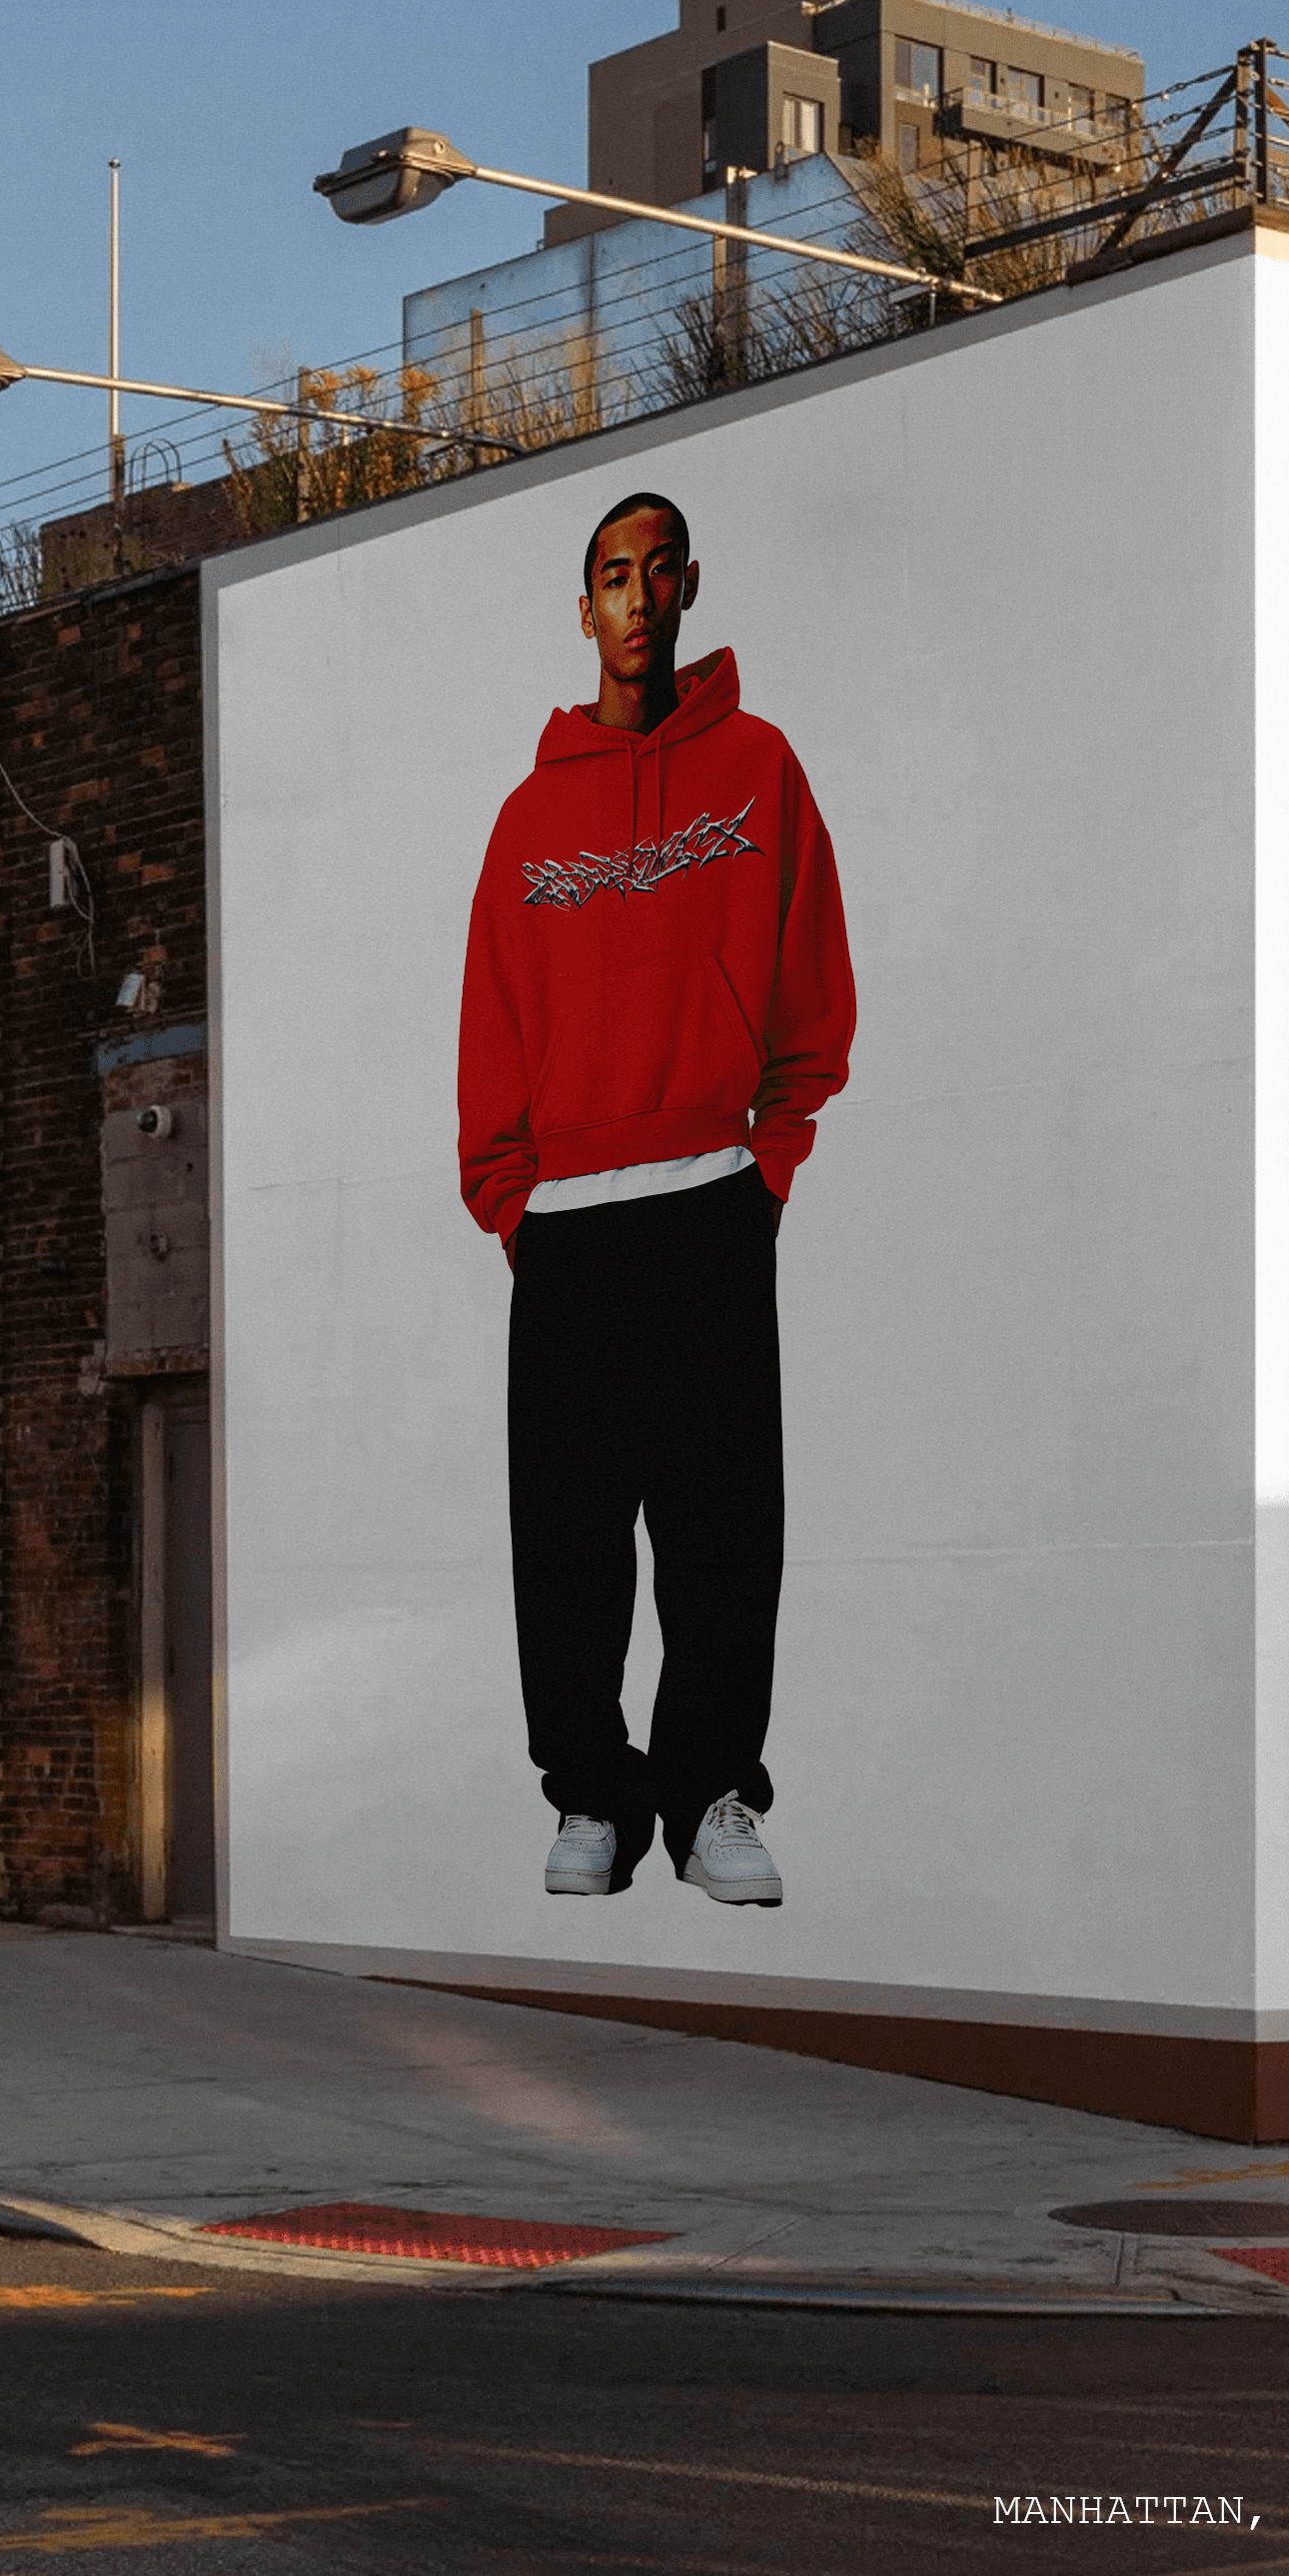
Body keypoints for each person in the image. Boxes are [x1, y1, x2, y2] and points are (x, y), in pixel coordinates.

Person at [456, 492, 854, 1907]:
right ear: (586, 610)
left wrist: (767, 1168)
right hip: (567, 1225)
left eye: (657, 571)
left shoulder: (759, 769)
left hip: (707, 1204)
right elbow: (491, 1021)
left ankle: (711, 1799)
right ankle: (592, 1796)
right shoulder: (530, 819)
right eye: (611, 577)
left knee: (720, 1534)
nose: (635, 598)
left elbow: (812, 988)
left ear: (687, 590)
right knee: (568, 1540)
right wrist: (511, 1201)